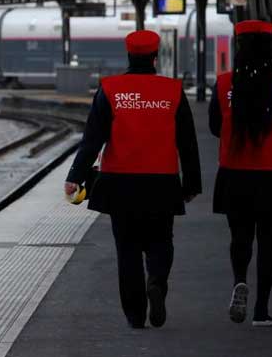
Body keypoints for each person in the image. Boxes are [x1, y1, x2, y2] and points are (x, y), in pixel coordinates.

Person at [64, 29, 201, 329]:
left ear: (128, 56)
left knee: (126, 249)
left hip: (119, 183)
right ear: (155, 57)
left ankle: (135, 314)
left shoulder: (110, 89)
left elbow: (92, 139)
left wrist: (75, 177)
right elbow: (187, 143)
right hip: (162, 182)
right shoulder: (173, 91)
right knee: (161, 241)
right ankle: (157, 282)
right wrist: (191, 185)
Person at [209, 20, 272, 327]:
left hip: (235, 172)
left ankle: (240, 280)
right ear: (270, 47)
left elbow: (214, 127)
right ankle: (262, 311)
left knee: (240, 236)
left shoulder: (224, 85)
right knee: (268, 239)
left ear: (239, 48)